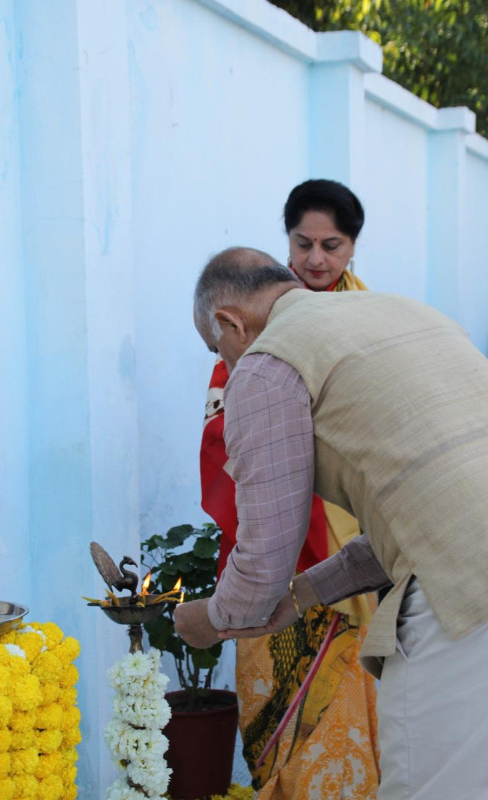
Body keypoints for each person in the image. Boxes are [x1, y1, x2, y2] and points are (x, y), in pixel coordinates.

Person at [175, 247, 488, 800]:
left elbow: (263, 562)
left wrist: (210, 619)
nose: (225, 367)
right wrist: (304, 594)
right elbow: (417, 520)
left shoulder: (267, 363)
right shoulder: (406, 310)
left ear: (230, 323)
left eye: (216, 349)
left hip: (463, 592)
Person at [199, 181, 380, 799]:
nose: (316, 260)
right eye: (303, 244)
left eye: (332, 245)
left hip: (357, 548)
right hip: (277, 548)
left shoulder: (368, 323)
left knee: (357, 717)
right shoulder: (249, 332)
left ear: (353, 247)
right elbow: (227, 447)